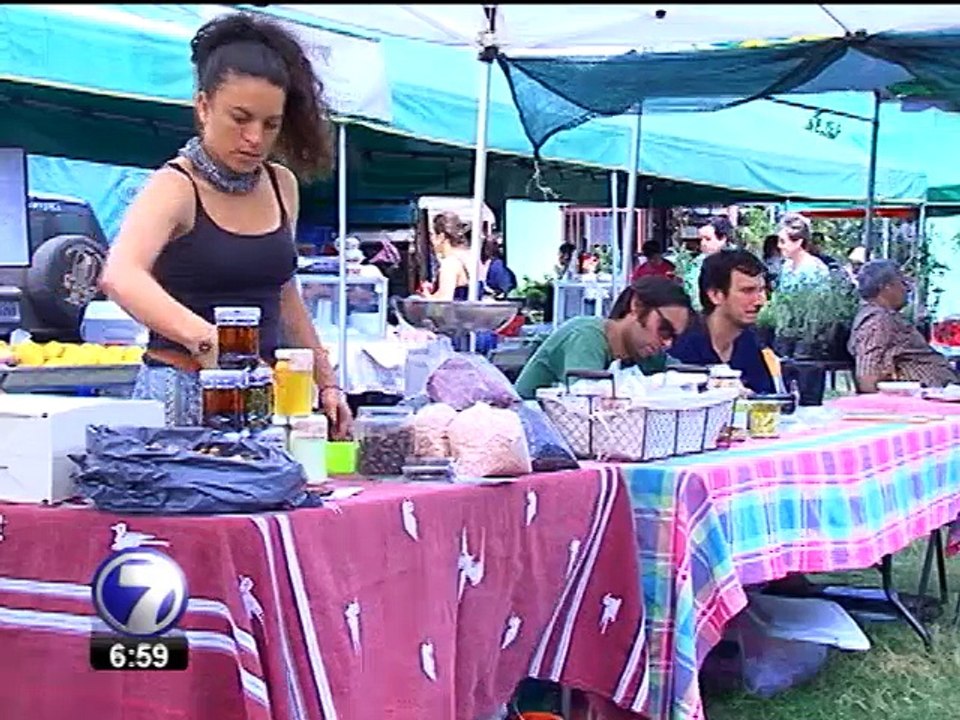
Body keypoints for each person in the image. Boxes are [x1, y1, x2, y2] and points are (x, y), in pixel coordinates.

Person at [100, 12, 352, 436]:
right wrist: (212, 343)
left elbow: (284, 293)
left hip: (265, 398)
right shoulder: (174, 187)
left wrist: (325, 379)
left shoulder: (281, 185)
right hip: (180, 396)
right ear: (203, 106)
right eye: (240, 118)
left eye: (270, 124)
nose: (255, 137)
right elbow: (121, 276)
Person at [513, 276, 693, 399]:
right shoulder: (585, 337)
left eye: (673, 338)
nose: (667, 343)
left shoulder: (648, 353)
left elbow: (689, 377)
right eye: (664, 329)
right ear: (637, 305)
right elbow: (587, 404)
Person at [669, 249, 775, 394]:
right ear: (715, 295)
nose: (760, 300)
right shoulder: (682, 345)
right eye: (747, 291)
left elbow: (767, 398)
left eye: (762, 290)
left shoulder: (750, 342)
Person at [848, 259, 958, 392]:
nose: (907, 288)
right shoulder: (877, 321)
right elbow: (867, 376)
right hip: (920, 404)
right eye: (903, 283)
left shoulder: (886, 316)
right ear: (887, 287)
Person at [420, 211, 476, 301]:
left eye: (432, 235)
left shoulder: (450, 264)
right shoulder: (468, 257)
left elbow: (444, 302)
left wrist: (425, 294)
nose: (431, 240)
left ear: (441, 236)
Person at [684, 215, 735, 311]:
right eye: (700, 239)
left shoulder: (739, 261)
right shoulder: (695, 263)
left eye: (708, 239)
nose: (703, 243)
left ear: (723, 238)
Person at [776, 212, 830, 287]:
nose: (779, 245)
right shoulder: (787, 266)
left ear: (798, 242)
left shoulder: (815, 269)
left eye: (783, 241)